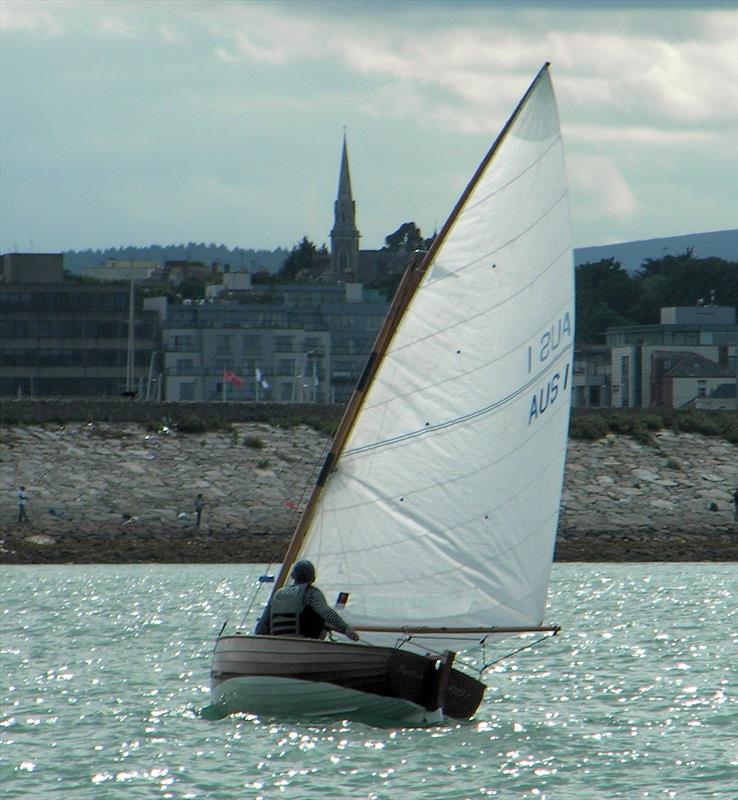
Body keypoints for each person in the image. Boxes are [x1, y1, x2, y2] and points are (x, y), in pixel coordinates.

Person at [255, 560, 359, 641]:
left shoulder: (278, 593)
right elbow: (326, 612)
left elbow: (261, 627)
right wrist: (346, 628)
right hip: (304, 640)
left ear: (292, 576)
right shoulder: (311, 593)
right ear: (313, 579)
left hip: (278, 641)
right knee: (320, 617)